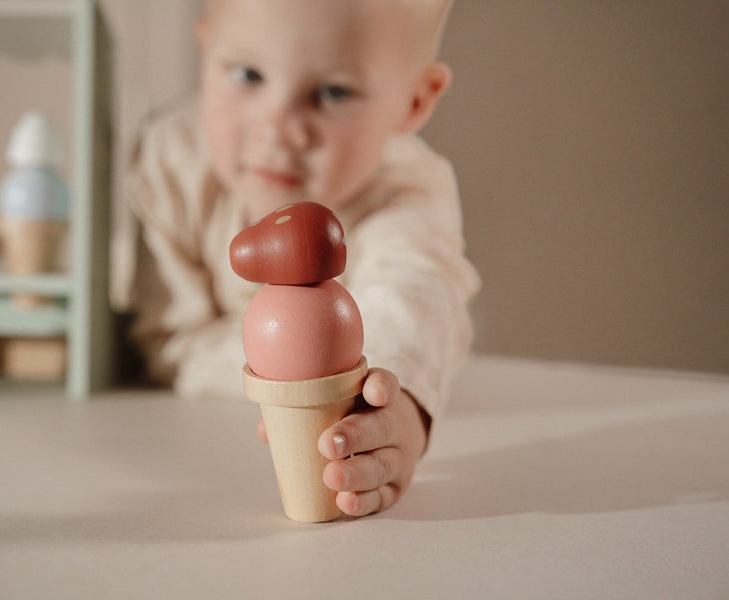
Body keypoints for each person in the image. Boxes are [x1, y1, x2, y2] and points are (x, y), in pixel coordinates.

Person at [114, 0, 480, 517]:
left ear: (414, 101)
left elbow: (417, 299)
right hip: (186, 449)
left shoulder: (408, 190)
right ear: (205, 51)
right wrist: (290, 371)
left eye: (332, 92)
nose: (279, 127)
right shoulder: (171, 161)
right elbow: (172, 340)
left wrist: (399, 406)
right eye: (247, 74)